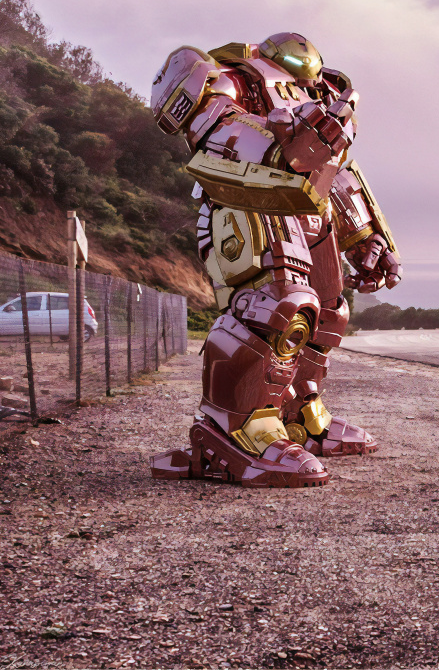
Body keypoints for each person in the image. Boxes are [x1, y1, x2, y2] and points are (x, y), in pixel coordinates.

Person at [149, 32, 400, 487]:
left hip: (308, 208)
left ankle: (300, 414)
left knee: (329, 311)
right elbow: (215, 129)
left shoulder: (320, 92)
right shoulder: (234, 77)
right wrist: (279, 144)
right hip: (251, 199)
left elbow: (337, 172)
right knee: (279, 306)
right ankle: (236, 428)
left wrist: (366, 235)